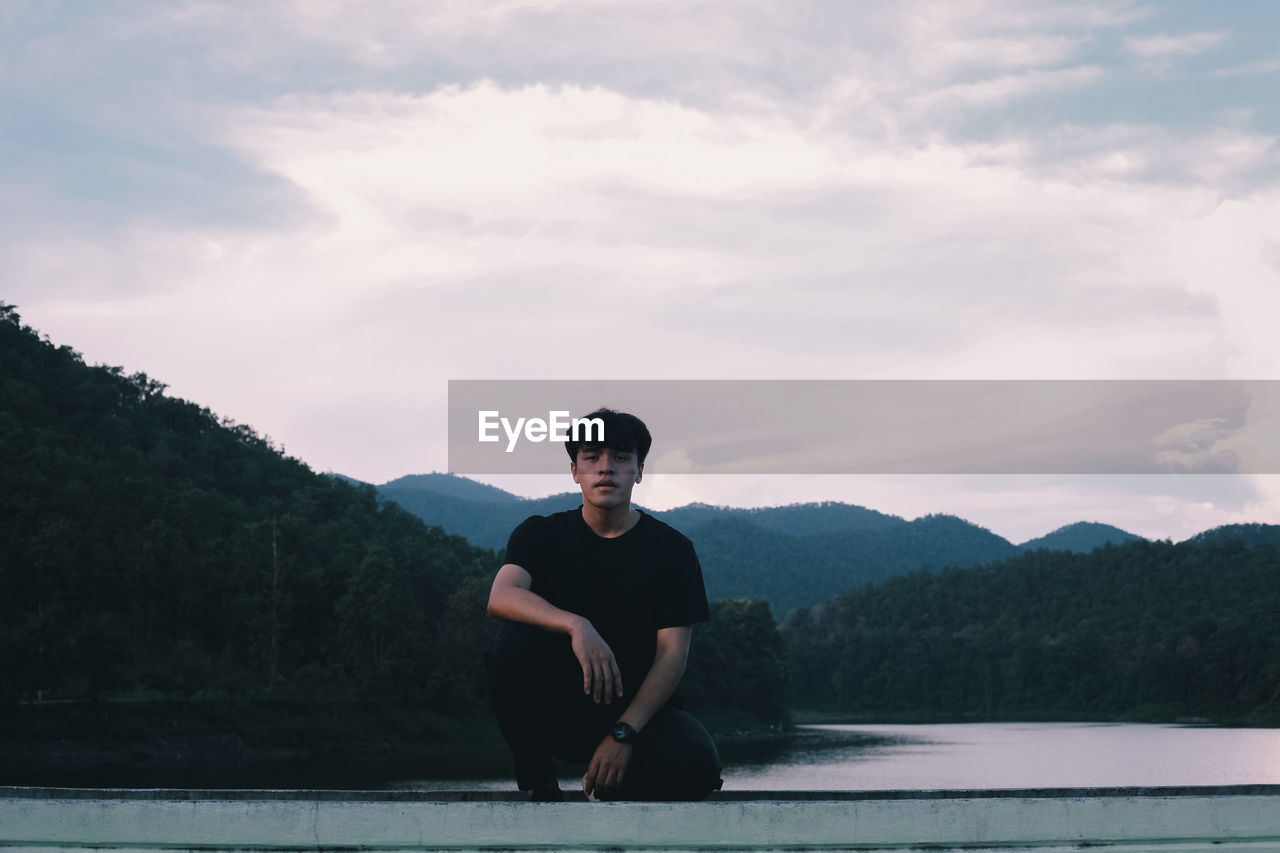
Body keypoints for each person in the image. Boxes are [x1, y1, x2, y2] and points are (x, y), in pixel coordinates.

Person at [486, 408, 722, 801]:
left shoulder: (672, 550)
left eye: (621, 458)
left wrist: (624, 732)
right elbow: (502, 596)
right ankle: (537, 782)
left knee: (696, 765)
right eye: (592, 458)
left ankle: (613, 785)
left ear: (639, 470)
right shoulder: (540, 534)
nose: (605, 469)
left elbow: (671, 655)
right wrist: (577, 625)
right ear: (575, 470)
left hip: (639, 714)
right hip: (559, 709)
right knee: (512, 643)